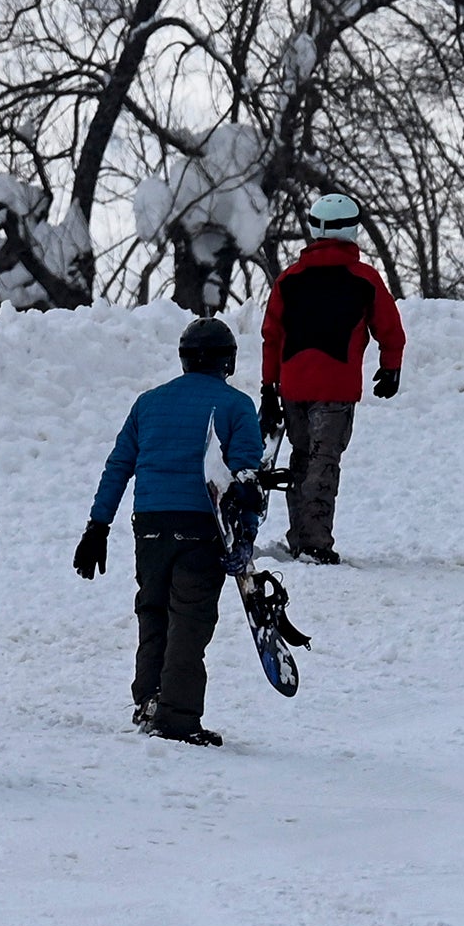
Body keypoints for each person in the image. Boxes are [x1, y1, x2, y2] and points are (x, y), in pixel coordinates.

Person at [76, 317, 267, 745]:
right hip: (202, 527)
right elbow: (245, 478)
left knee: (153, 613)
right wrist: (246, 537)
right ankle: (177, 718)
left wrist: (97, 525)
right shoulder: (236, 406)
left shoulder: (148, 403)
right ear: (228, 361)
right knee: (190, 621)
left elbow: (119, 466)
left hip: (150, 525)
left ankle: (149, 700)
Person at [257, 193, 406, 564]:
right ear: (352, 229)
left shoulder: (289, 279)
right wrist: (391, 367)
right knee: (325, 462)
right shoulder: (363, 278)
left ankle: (300, 537)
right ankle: (315, 543)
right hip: (336, 389)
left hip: (292, 386)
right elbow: (389, 328)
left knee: (301, 458)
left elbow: (271, 336)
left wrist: (267, 387)